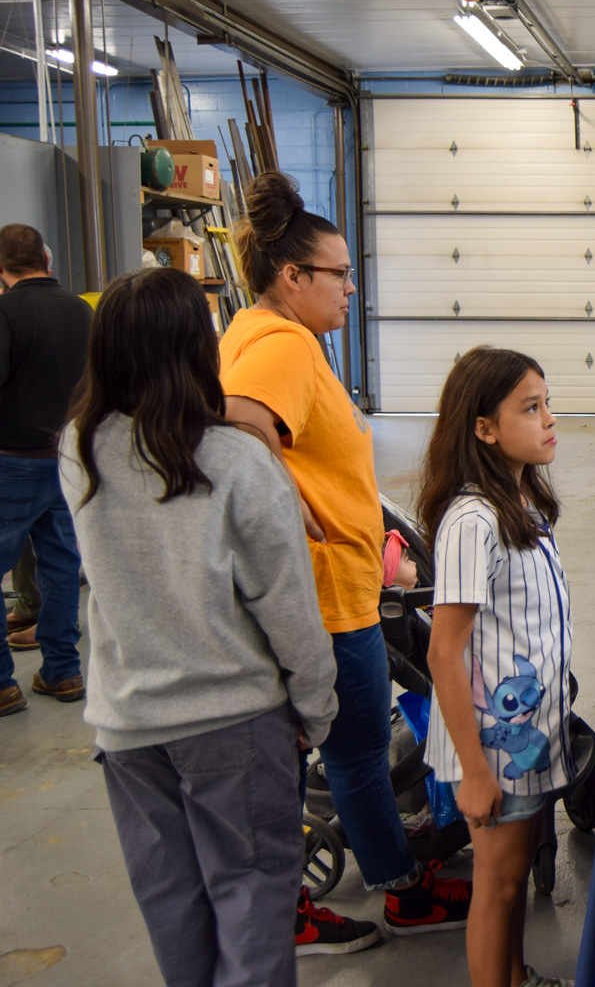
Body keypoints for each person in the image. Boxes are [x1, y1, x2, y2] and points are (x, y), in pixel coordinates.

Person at [57, 267, 340, 986]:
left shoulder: (78, 449)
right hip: (232, 719)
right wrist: (315, 706)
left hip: (128, 725)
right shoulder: (233, 458)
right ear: (194, 348)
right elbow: (286, 603)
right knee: (252, 898)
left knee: (171, 902)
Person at [220, 172, 470, 948]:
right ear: (292, 276)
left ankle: (291, 903)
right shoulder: (285, 344)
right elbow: (236, 418)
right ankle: (403, 894)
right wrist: (285, 502)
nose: (351, 288)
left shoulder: (252, 331)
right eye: (340, 274)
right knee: (358, 751)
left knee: (305, 747)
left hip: (321, 587)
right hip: (327, 599)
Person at [419, 347, 574, 987]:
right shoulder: (472, 520)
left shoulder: (518, 499)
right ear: (484, 427)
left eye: (546, 403)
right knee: (498, 884)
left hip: (524, 741)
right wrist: (476, 772)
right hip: (491, 748)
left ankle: (515, 975)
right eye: (530, 408)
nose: (549, 419)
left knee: (513, 879)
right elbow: (443, 652)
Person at [0, 224, 91, 718]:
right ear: (47, 260)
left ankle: (2, 685)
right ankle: (63, 670)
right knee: (60, 567)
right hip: (68, 459)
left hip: (12, 462)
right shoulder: (82, 311)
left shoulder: (5, 313)